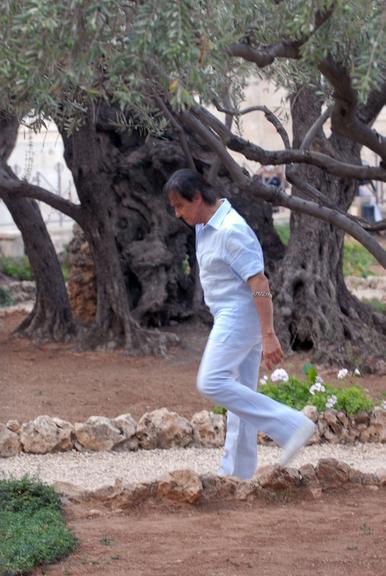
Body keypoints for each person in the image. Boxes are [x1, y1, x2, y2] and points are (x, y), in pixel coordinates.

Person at [164, 169, 316, 480]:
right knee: (241, 396)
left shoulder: (232, 231)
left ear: (197, 199)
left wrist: (269, 333)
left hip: (240, 315)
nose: (178, 214)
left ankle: (291, 425)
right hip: (228, 314)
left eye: (180, 206)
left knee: (211, 381)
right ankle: (237, 475)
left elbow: (260, 282)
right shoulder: (206, 224)